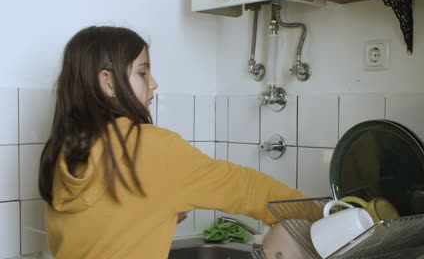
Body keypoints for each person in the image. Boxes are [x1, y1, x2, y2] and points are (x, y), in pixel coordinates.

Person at [39, 26, 310, 259]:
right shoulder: (149, 147)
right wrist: (323, 212)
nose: (154, 84)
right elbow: (248, 191)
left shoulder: (65, 152)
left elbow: (100, 229)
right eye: (143, 73)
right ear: (108, 82)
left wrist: (151, 211)